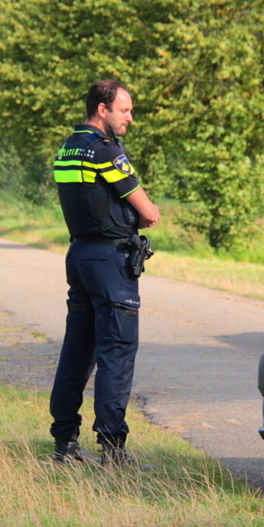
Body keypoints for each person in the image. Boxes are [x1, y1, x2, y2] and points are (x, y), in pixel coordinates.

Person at [49, 80, 159, 467]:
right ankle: (112, 449)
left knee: (77, 351)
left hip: (79, 254)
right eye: (124, 110)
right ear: (102, 109)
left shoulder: (67, 147)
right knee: (117, 351)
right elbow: (148, 213)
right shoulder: (106, 150)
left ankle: (64, 443)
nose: (130, 118)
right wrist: (140, 215)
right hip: (110, 261)